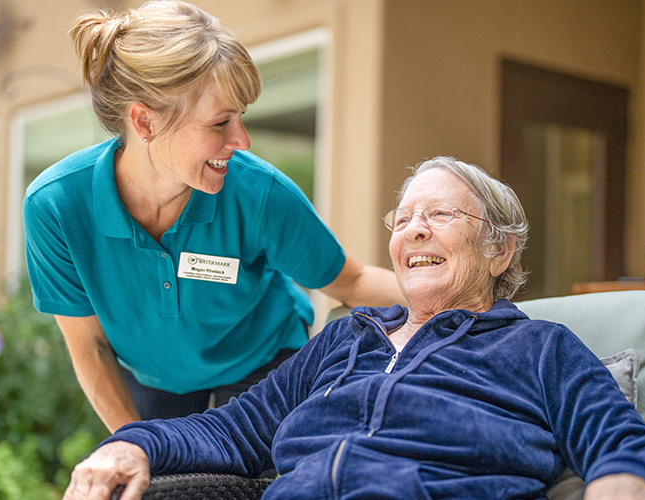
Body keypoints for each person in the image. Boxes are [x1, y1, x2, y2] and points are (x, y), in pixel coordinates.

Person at [62, 156, 645, 500]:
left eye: (440, 214)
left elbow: (631, 446)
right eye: (404, 217)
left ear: (499, 251)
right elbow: (235, 429)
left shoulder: (536, 346)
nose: (413, 229)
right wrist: (133, 444)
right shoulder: (347, 338)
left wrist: (625, 483)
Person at [22, 0, 402, 433]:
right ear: (143, 121)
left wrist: (468, 292)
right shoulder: (56, 206)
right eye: (220, 123)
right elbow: (89, 345)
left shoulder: (260, 194)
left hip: (262, 364)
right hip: (153, 379)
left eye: (241, 117)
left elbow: (350, 282)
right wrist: (136, 445)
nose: (242, 141)